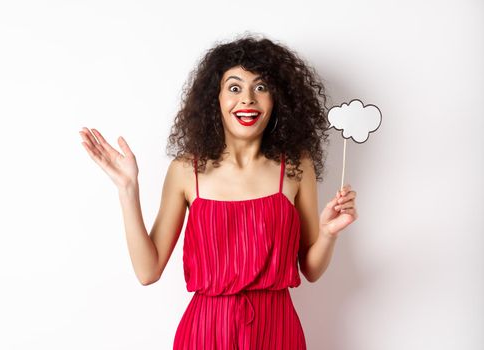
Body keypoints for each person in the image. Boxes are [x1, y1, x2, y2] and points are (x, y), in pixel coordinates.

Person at [79, 34, 358, 349]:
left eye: (261, 87)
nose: (248, 99)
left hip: (277, 332)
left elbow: (311, 269)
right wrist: (128, 190)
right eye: (235, 88)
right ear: (216, 98)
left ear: (278, 98)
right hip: (205, 333)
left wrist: (328, 233)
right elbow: (148, 271)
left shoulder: (296, 167)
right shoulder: (186, 171)